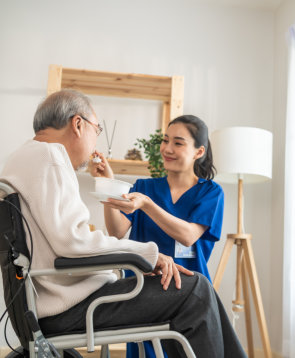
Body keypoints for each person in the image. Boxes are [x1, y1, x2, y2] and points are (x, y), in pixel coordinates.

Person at [0, 89, 247, 358]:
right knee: (198, 290)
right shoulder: (51, 159)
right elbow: (75, 241)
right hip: (71, 306)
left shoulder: (25, 157)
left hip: (53, 301)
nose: (96, 140)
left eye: (178, 143)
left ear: (199, 151)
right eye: (98, 129)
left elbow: (69, 240)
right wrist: (148, 255)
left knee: (199, 288)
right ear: (78, 124)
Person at [90, 115, 224, 358]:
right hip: (144, 290)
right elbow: (117, 231)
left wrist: (147, 205)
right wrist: (107, 185)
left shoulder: (210, 192)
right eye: (165, 140)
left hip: (188, 295)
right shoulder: (145, 187)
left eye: (178, 143)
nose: (167, 149)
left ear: (198, 151)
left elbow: (188, 236)